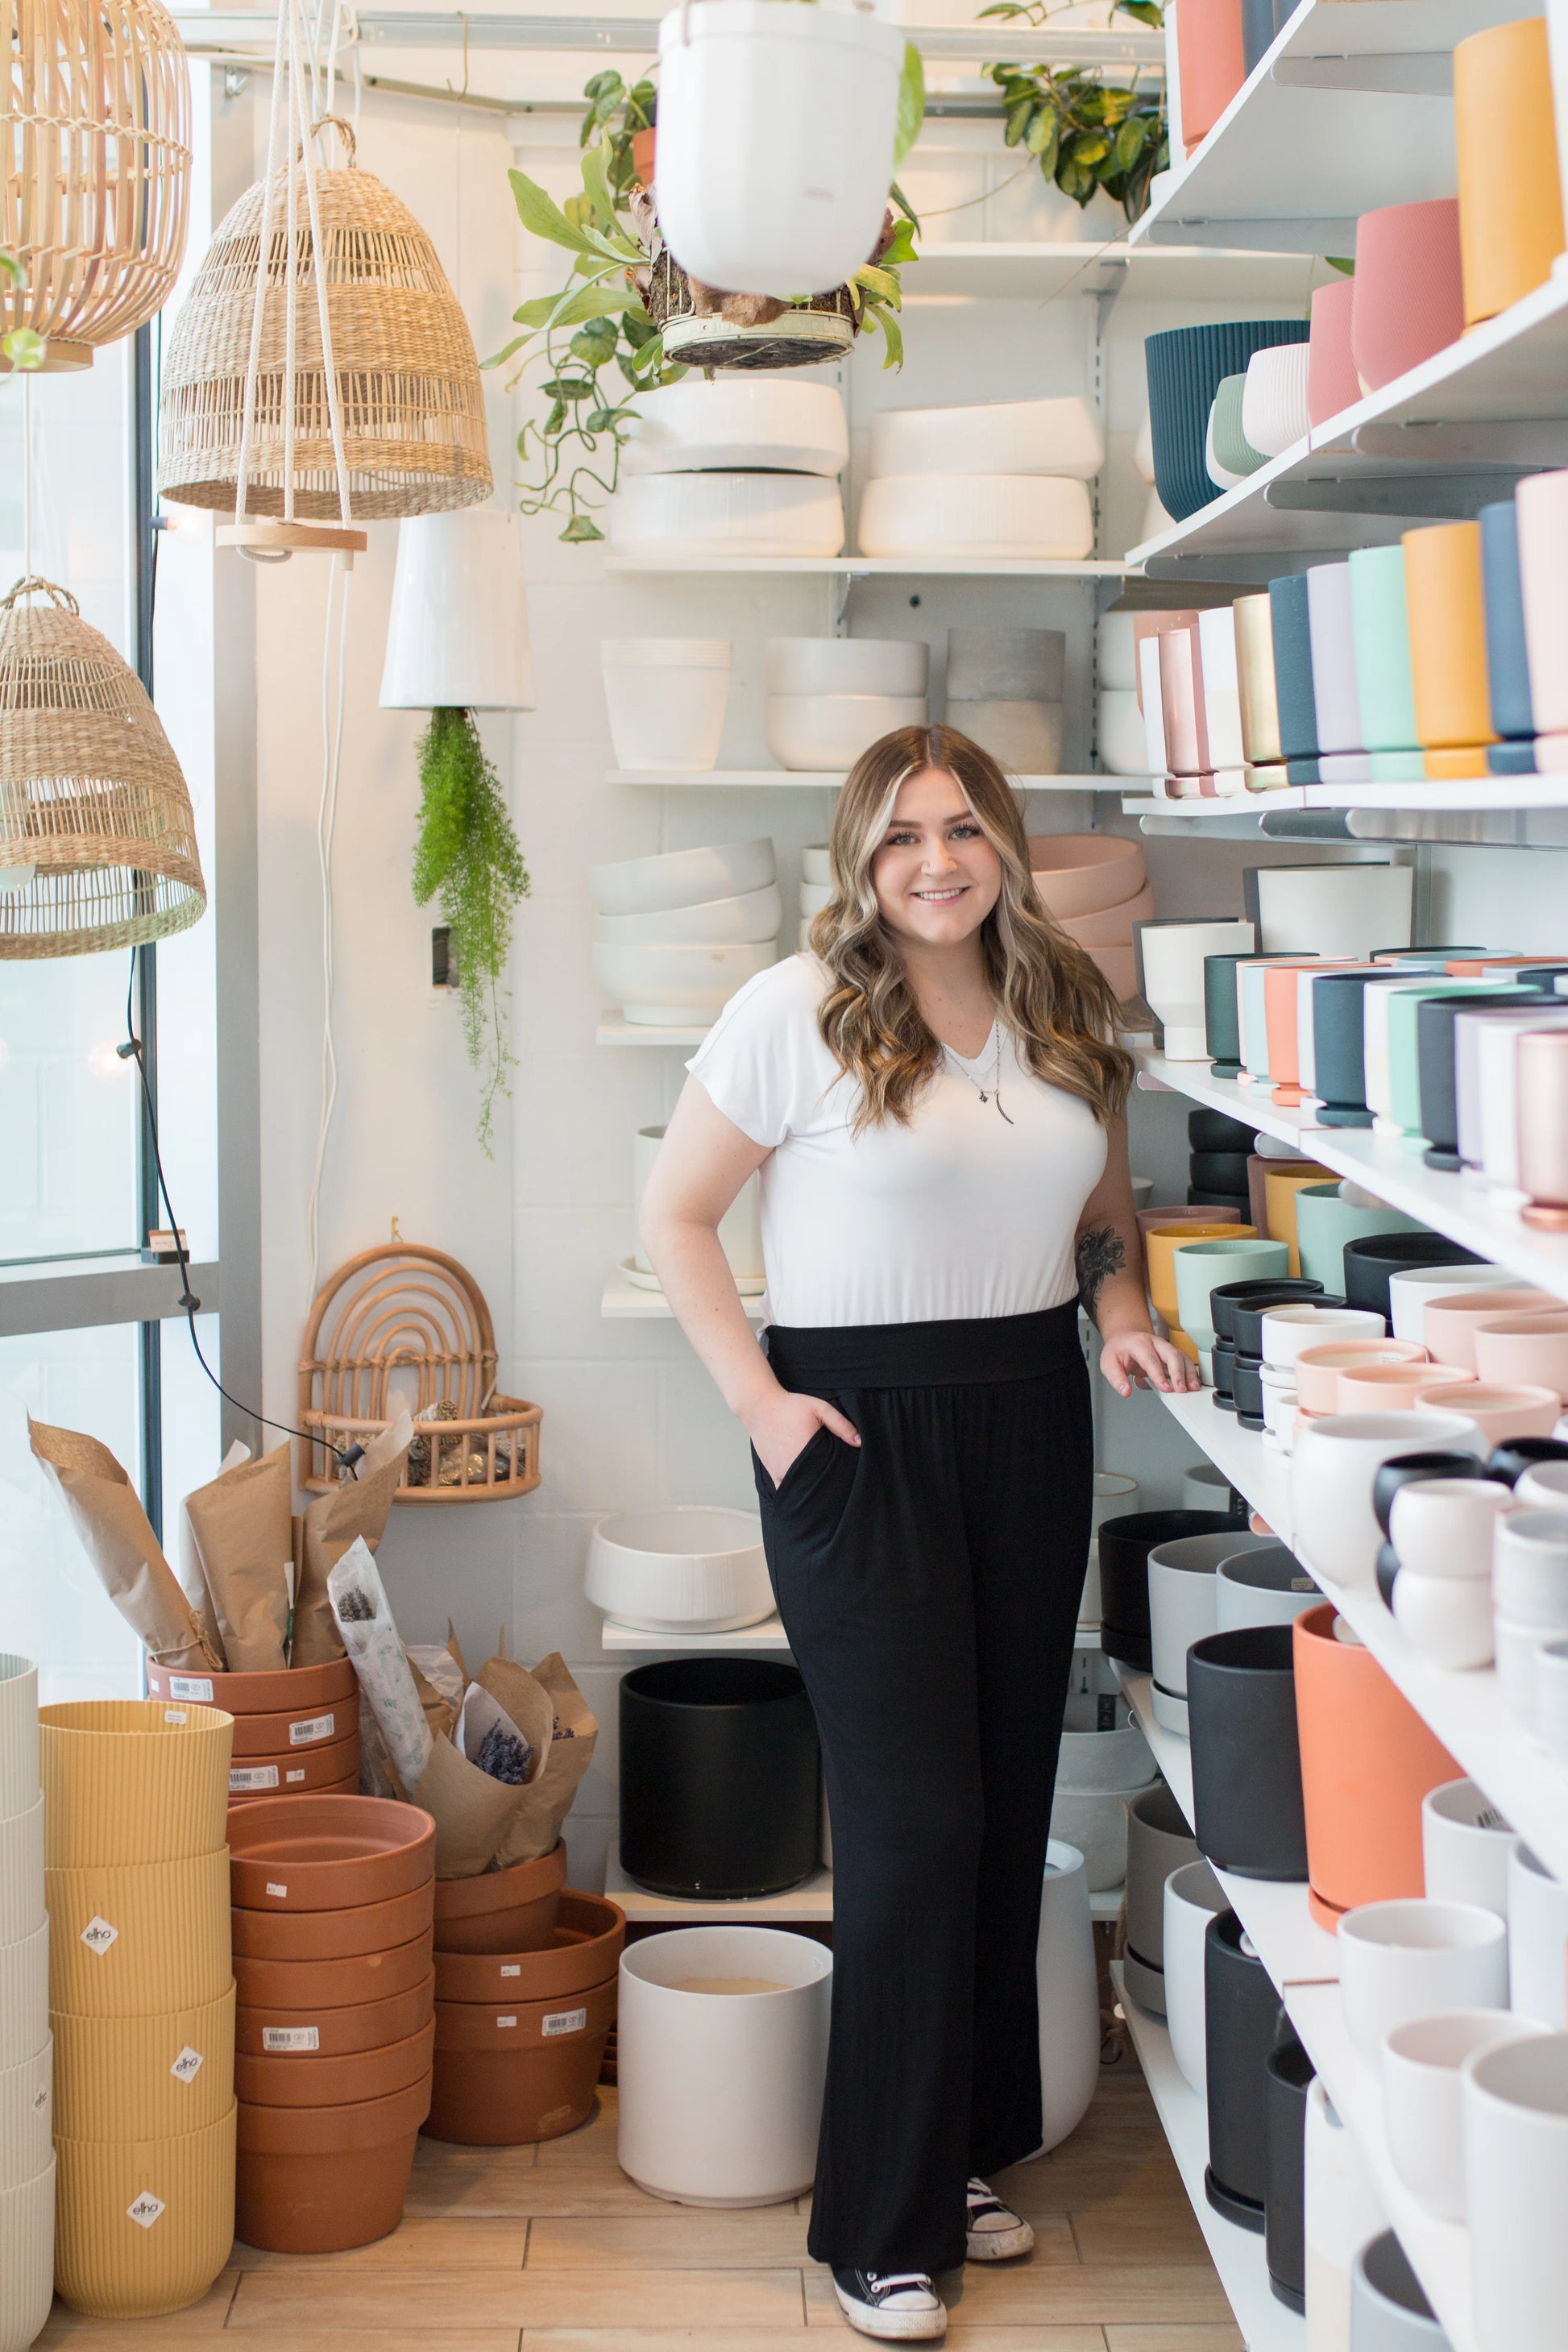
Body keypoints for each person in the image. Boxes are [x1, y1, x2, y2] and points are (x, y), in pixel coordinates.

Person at [640, 724, 1197, 2342]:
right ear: (857, 858)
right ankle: (874, 2228)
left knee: (1003, 1786)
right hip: (853, 1435)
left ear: (1005, 845)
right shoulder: (791, 1008)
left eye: (961, 828)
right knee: (911, 1821)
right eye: (900, 837)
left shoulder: (1062, 1006)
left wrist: (1117, 1310)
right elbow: (675, 1214)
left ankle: (949, 2150)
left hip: (1029, 1417)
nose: (934, 860)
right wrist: (759, 1405)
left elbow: (1101, 1204)